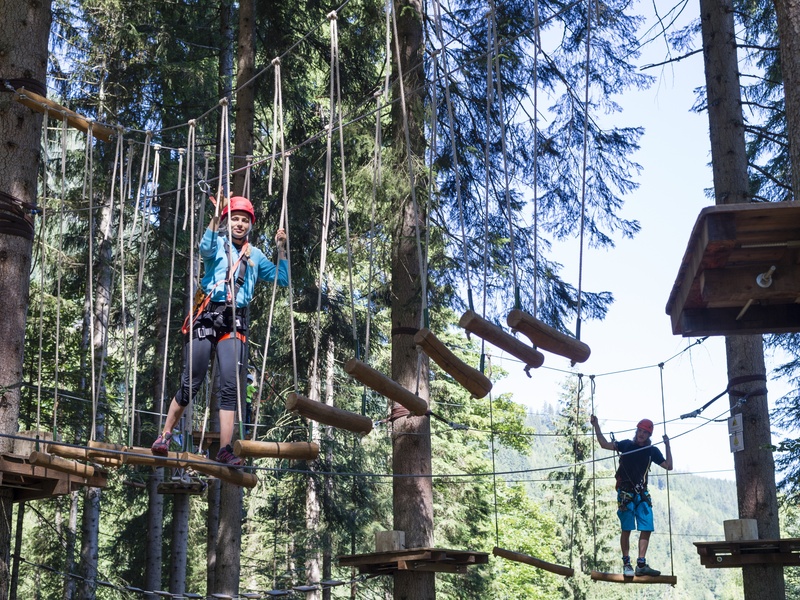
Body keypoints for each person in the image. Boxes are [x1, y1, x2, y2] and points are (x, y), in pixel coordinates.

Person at [151, 195, 288, 467]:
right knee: (192, 382)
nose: (239, 224)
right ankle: (165, 435)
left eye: (244, 220)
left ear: (250, 225)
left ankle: (225, 449)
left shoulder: (256, 255)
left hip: (234, 321)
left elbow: (282, 279)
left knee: (229, 386)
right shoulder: (218, 245)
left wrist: (281, 248)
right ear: (228, 222)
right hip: (207, 316)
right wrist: (215, 218)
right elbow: (204, 248)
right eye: (235, 219)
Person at [590, 414, 673, 577]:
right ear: (636, 431)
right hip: (625, 493)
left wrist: (667, 445)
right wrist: (596, 426)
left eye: (645, 432)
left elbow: (669, 466)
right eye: (639, 431)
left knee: (647, 526)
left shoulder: (651, 451)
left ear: (649, 435)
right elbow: (604, 444)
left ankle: (641, 563)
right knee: (627, 528)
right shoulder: (626, 445)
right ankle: (626, 563)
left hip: (641, 493)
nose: (641, 434)